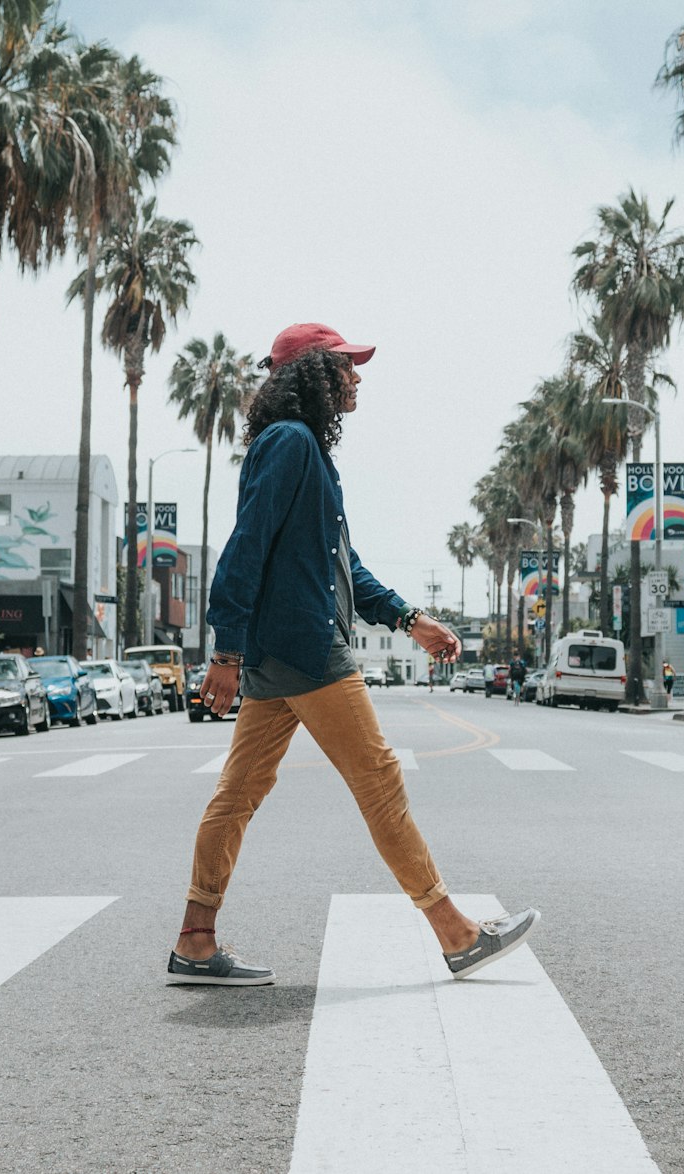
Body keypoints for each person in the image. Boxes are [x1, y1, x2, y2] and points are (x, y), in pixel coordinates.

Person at [168, 323, 540, 987]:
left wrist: (411, 618)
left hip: (281, 652)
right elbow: (244, 545)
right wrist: (224, 648)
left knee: (239, 794)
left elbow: (345, 568)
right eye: (346, 367)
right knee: (379, 781)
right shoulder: (291, 444)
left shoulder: (305, 453)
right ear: (311, 374)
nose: (357, 378)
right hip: (307, 649)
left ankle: (195, 939)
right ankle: (456, 934)